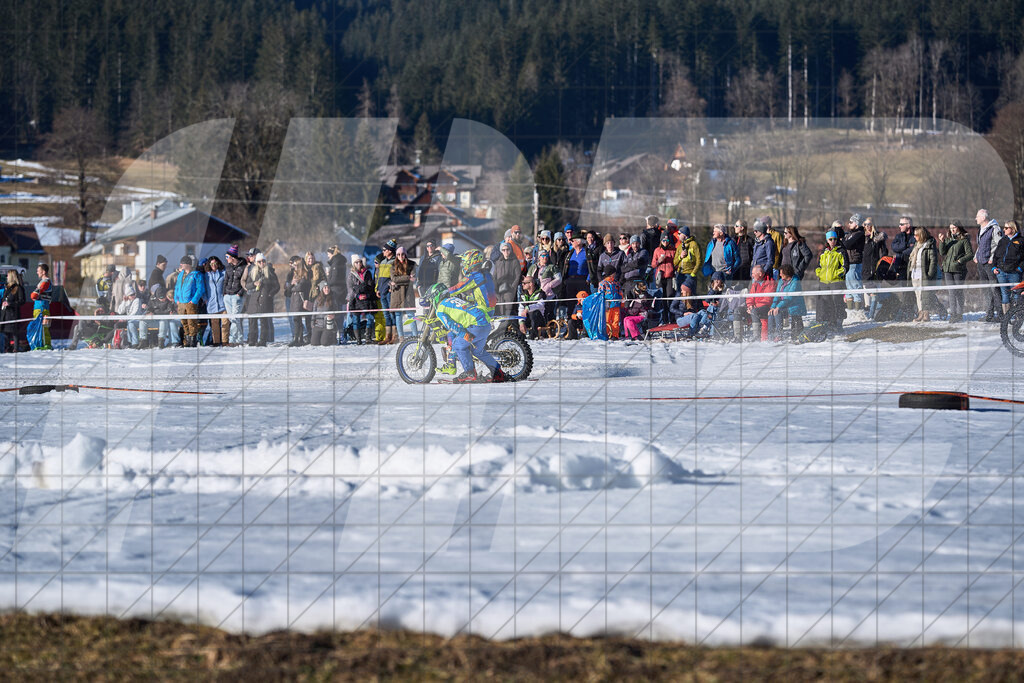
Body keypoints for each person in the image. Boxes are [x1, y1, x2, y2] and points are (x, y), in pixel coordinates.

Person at [427, 283, 506, 384]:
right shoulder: (453, 300)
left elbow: (451, 325)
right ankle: (498, 373)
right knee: (478, 351)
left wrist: (464, 334)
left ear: (435, 297)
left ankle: (469, 373)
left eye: (431, 300)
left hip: (476, 325)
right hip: (485, 323)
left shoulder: (440, 309)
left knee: (457, 345)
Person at [938, 220, 974, 323]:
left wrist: (960, 261)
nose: (952, 230)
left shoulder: (964, 240)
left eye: (954, 228)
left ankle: (959, 314)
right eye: (951, 228)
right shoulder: (949, 239)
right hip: (948, 269)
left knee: (958, 292)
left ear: (959, 227)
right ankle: (953, 314)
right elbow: (942, 252)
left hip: (959, 270)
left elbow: (970, 254)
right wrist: (942, 241)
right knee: (951, 292)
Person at [815, 229, 847, 336]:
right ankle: (828, 323)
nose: (833, 241)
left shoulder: (841, 251)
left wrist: (838, 274)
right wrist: (819, 273)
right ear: (827, 240)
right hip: (824, 281)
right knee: (825, 303)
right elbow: (818, 265)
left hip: (837, 281)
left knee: (837, 302)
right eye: (830, 239)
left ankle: (838, 323)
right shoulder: (824, 252)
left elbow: (846, 266)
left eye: (834, 239)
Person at [975, 208, 1003, 321]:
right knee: (986, 289)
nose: (975, 219)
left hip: (990, 264)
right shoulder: (980, 229)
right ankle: (989, 313)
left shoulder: (994, 229)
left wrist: (992, 258)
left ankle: (1000, 314)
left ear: (983, 217)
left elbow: (1000, 245)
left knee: (994, 289)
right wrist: (976, 256)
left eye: (977, 216)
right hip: (981, 263)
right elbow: (981, 245)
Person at [246, 252, 279, 346]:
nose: (261, 263)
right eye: (259, 262)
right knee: (252, 322)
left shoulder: (270, 272)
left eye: (263, 261)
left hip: (265, 300)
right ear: (256, 262)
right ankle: (252, 340)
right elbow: (247, 285)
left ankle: (262, 340)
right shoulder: (252, 272)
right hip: (254, 300)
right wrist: (254, 284)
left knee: (264, 322)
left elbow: (277, 286)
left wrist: (270, 294)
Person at [992, 220, 1024, 317]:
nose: (1004, 230)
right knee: (1005, 295)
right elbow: (996, 256)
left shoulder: (1021, 241)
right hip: (1001, 272)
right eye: (1004, 227)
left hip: (1014, 273)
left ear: (1013, 229)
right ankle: (1007, 317)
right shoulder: (1003, 240)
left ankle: (1017, 316)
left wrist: (1020, 268)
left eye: (1006, 228)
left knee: (1016, 295)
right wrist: (994, 267)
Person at [907, 227, 939, 322]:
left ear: (921, 235)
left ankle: (926, 314)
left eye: (916, 235)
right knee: (918, 294)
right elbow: (912, 257)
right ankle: (920, 312)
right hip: (915, 272)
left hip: (923, 273)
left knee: (925, 294)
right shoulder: (917, 245)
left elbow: (933, 260)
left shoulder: (929, 245)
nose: (914, 237)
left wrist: (930, 274)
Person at [768, 264, 806, 342]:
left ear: (787, 273)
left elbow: (789, 297)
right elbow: (777, 295)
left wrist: (778, 307)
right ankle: (771, 336)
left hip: (794, 306)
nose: (780, 274)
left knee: (777, 312)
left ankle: (780, 335)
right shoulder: (781, 281)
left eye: (781, 273)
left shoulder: (795, 281)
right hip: (783, 305)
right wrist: (773, 306)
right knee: (771, 313)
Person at [173, 256, 204, 347]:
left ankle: (193, 340)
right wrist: (176, 299)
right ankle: (186, 341)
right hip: (181, 303)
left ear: (188, 264)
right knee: (184, 322)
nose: (181, 265)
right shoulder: (180, 274)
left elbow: (200, 289)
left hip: (190, 303)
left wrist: (194, 300)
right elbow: (177, 288)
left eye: (182, 263)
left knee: (192, 322)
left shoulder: (196, 274)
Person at [861, 219, 888, 318]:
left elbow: (884, 252)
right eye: (865, 224)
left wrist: (882, 264)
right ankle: (869, 313)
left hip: (875, 268)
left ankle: (874, 314)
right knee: (867, 292)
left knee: (876, 292)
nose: (867, 226)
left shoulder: (878, 238)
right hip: (865, 268)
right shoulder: (861, 238)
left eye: (869, 224)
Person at [891, 217, 917, 320]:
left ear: (908, 225)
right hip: (901, 266)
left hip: (912, 267)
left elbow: (913, 248)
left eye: (902, 224)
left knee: (912, 291)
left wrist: (903, 250)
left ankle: (912, 312)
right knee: (904, 291)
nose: (899, 226)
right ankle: (906, 313)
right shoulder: (898, 236)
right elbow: (894, 247)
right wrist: (905, 246)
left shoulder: (915, 235)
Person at [347, 255, 374, 344]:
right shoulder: (351, 275)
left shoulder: (367, 273)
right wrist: (357, 295)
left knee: (370, 317)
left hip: (367, 299)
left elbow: (370, 286)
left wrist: (366, 294)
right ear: (353, 264)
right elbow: (350, 289)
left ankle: (368, 337)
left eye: (360, 262)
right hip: (356, 300)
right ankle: (358, 340)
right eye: (356, 262)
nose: (359, 264)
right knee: (356, 320)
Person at [390, 246, 417, 338]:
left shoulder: (412, 264)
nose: (400, 256)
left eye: (402, 254)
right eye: (398, 254)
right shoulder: (393, 265)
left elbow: (414, 278)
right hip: (397, 294)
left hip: (408, 293)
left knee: (411, 315)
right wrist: (408, 277)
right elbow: (394, 279)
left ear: (405, 254)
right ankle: (401, 337)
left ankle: (415, 335)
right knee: (398, 316)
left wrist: (398, 280)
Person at [375, 239, 398, 344]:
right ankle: (387, 337)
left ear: (390, 251)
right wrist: (377, 289)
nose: (383, 251)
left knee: (392, 314)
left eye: (385, 249)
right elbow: (379, 277)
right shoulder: (383, 262)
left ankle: (394, 336)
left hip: (390, 292)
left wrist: (392, 288)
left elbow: (397, 277)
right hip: (382, 291)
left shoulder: (395, 261)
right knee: (386, 315)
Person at [746, 264, 777, 342]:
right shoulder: (755, 283)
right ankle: (738, 338)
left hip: (766, 307)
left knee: (755, 311)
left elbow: (767, 300)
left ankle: (756, 336)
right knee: (737, 311)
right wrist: (750, 305)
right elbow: (750, 297)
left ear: (760, 274)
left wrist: (754, 307)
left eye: (753, 274)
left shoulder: (770, 282)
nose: (752, 276)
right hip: (755, 307)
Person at [285, 256, 311, 346]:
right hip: (294, 299)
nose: (294, 266)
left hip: (300, 299)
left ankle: (298, 338)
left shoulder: (305, 274)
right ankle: (297, 337)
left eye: (296, 265)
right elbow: (287, 287)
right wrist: (292, 284)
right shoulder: (293, 274)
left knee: (297, 318)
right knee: (296, 319)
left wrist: (293, 286)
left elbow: (301, 287)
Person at [223, 245, 247, 345]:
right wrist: (224, 293)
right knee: (232, 318)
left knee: (234, 318)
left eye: (227, 257)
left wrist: (240, 293)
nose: (226, 259)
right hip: (228, 296)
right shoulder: (228, 267)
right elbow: (226, 281)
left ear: (232, 257)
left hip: (237, 296)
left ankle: (233, 340)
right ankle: (240, 339)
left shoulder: (243, 267)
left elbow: (245, 281)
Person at [561, 232, 595, 299]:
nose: (571, 242)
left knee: (583, 302)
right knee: (570, 303)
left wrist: (588, 279)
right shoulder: (570, 253)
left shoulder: (587, 253)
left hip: (582, 280)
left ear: (579, 242)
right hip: (571, 280)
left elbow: (592, 267)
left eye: (572, 241)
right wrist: (566, 280)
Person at [842, 213, 866, 309]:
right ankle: (850, 311)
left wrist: (843, 241)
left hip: (854, 263)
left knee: (855, 287)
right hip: (848, 264)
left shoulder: (859, 234)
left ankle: (858, 312)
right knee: (848, 290)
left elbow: (847, 245)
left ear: (856, 223)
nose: (849, 224)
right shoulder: (850, 234)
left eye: (851, 222)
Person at [493, 241, 522, 316]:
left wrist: (512, 288)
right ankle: (504, 327)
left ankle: (515, 327)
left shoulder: (515, 261)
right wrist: (495, 290)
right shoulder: (498, 262)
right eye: (503, 250)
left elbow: (518, 276)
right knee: (500, 310)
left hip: (510, 290)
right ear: (501, 251)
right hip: (499, 291)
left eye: (507, 249)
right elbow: (494, 277)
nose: (506, 251)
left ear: (510, 250)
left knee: (510, 310)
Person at [29, 263, 53, 350]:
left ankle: (45, 345)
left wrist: (34, 295)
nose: (37, 272)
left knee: (43, 328)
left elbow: (33, 296)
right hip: (40, 307)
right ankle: (42, 344)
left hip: (42, 308)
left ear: (43, 272)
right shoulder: (44, 282)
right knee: (40, 328)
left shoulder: (45, 282)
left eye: (38, 271)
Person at [0, 270, 25, 352]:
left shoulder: (18, 288)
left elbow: (22, 301)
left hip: (13, 315)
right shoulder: (7, 288)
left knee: (15, 333)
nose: (6, 277)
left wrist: (10, 303)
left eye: (7, 276)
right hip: (5, 315)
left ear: (11, 276)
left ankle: (15, 349)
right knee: (6, 334)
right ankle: (7, 348)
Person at [309, 281, 337, 346]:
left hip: (327, 325)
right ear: (322, 289)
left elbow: (337, 310)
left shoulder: (332, 299)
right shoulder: (317, 300)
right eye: (325, 288)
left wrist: (334, 315)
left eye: (328, 288)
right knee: (314, 343)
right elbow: (314, 312)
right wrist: (312, 323)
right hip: (318, 324)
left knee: (324, 343)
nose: (327, 289)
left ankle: (332, 337)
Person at [651, 233, 676, 300]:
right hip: (660, 276)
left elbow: (676, 263)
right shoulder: (657, 250)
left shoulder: (673, 250)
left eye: (667, 240)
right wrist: (659, 261)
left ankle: (669, 309)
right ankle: (662, 310)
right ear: (661, 241)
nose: (665, 242)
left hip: (670, 276)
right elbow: (653, 265)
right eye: (663, 240)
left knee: (670, 295)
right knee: (661, 296)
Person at [326, 245, 348, 320]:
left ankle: (339, 329)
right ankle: (340, 329)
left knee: (336, 310)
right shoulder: (340, 261)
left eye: (328, 254)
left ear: (332, 253)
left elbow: (335, 279)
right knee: (339, 310)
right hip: (341, 289)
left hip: (336, 291)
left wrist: (327, 283)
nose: (327, 256)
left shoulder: (336, 262)